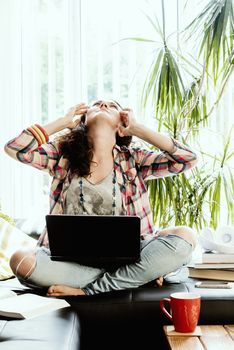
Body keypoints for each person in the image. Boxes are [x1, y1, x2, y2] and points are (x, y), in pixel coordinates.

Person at [5, 100, 198, 296]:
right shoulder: (61, 157)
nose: (104, 105)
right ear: (83, 119)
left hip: (130, 259)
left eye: (112, 106)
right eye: (96, 104)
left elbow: (187, 158)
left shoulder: (134, 159)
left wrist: (138, 129)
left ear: (121, 124)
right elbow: (15, 148)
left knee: (185, 236)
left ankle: (91, 290)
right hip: (72, 265)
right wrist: (62, 122)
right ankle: (132, 278)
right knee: (20, 260)